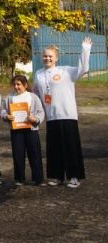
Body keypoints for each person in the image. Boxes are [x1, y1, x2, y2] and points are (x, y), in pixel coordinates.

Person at [33, 37, 90, 188]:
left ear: (56, 58)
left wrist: (85, 50)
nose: (47, 58)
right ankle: (56, 176)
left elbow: (83, 68)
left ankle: (74, 177)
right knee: (54, 147)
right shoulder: (38, 74)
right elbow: (36, 94)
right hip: (51, 116)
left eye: (50, 56)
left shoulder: (66, 71)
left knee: (71, 147)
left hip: (67, 114)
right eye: (45, 56)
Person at [0, 74, 46, 186]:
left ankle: (38, 179)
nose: (16, 87)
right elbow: (3, 111)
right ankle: (19, 178)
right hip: (16, 130)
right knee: (18, 154)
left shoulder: (33, 97)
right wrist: (6, 116)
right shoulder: (9, 98)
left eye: (18, 84)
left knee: (34, 154)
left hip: (31, 129)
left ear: (25, 85)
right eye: (14, 84)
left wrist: (35, 119)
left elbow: (41, 112)